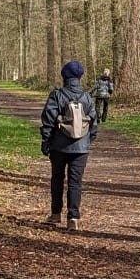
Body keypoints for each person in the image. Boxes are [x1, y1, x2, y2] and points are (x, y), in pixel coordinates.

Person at [39, 59, 96, 231]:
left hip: (59, 146)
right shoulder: (87, 97)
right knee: (75, 182)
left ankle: (56, 213)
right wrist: (87, 141)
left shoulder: (57, 95)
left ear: (64, 76)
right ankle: (73, 217)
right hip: (81, 147)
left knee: (57, 178)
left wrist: (46, 140)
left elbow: (48, 119)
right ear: (80, 77)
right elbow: (94, 121)